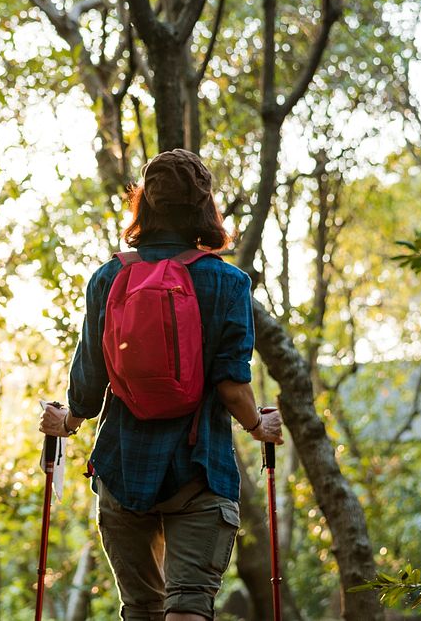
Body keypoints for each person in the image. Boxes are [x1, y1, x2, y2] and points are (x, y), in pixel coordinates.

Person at [40, 149, 284, 621]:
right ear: (203, 207)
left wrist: (64, 421)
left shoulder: (109, 277)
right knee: (189, 607)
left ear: (144, 205)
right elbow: (233, 388)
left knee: (141, 609)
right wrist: (259, 425)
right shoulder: (229, 283)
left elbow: (88, 387)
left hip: (123, 467)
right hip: (200, 468)